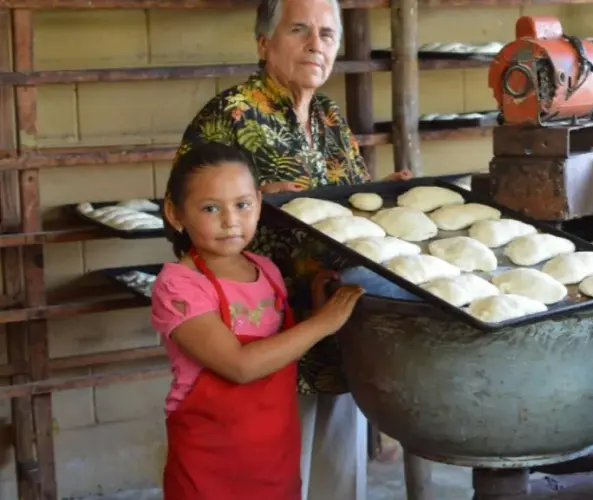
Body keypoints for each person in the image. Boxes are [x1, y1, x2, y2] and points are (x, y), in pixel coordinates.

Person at [172, 0, 411, 497]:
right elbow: (185, 216)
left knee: (337, 474)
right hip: (264, 333)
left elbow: (344, 205)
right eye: (299, 30)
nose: (314, 44)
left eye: (326, 34)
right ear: (264, 43)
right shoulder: (231, 116)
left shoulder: (326, 116)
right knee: (276, 472)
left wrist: (385, 195)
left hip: (336, 317)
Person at [151, 143, 365, 500]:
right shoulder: (179, 286)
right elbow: (240, 366)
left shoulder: (265, 270)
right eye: (210, 208)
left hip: (273, 455)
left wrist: (316, 305)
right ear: (175, 214)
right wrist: (324, 323)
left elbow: (279, 350)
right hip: (210, 463)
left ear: (259, 205)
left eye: (242, 205)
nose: (230, 220)